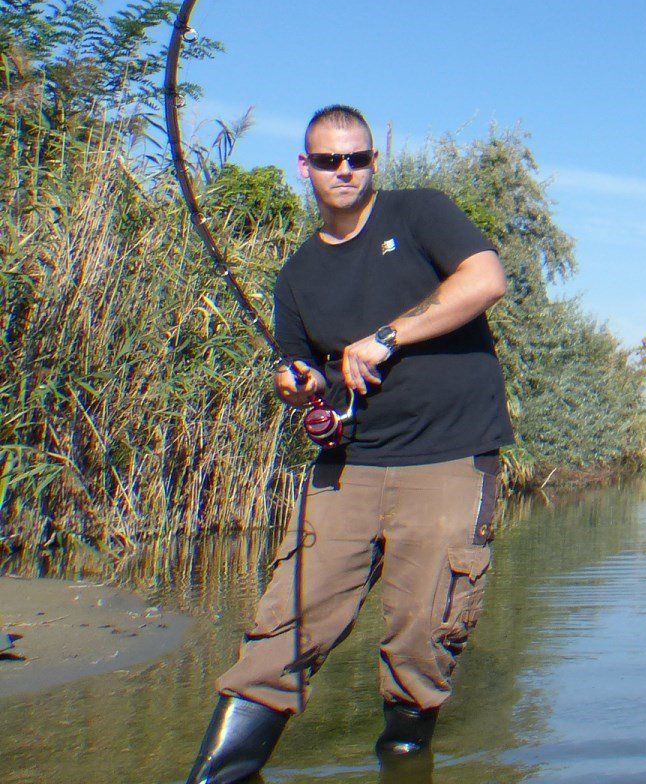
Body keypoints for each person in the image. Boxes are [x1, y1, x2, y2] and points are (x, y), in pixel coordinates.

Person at [185, 104, 512, 784]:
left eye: (356, 158)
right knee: (286, 626)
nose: (343, 171)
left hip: (449, 460)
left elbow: (484, 280)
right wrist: (294, 383)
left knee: (421, 639)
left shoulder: (420, 213)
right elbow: (290, 366)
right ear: (305, 167)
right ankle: (213, 778)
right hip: (348, 468)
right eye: (328, 160)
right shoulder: (299, 273)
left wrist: (385, 338)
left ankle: (404, 757)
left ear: (372, 163)